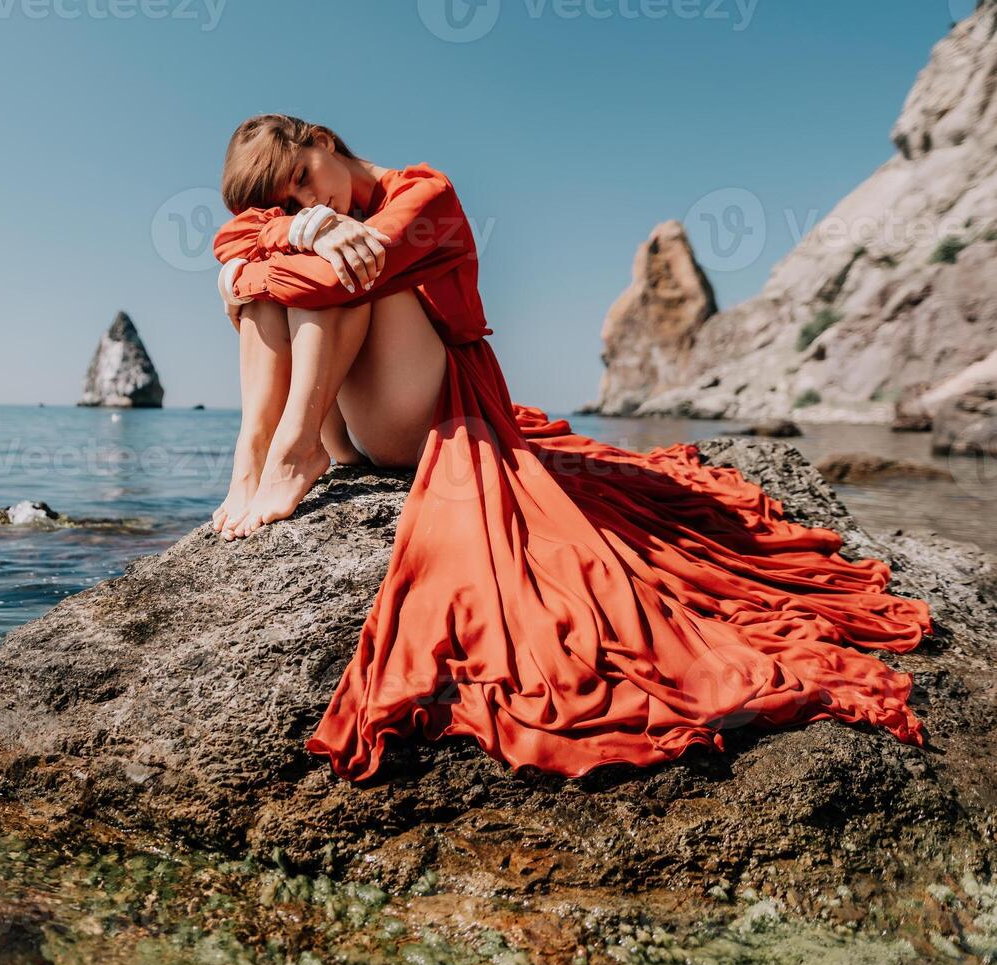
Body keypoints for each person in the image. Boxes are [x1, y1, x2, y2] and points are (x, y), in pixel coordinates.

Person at [209, 113, 932, 782]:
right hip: (362, 413)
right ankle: (255, 457)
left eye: (301, 181)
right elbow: (233, 247)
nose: (301, 202)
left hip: (426, 410)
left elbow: (331, 274)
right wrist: (294, 235)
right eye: (281, 200)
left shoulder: (427, 194)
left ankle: (296, 451)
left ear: (324, 142)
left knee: (336, 280)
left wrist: (272, 257)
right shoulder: (318, 221)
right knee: (265, 286)